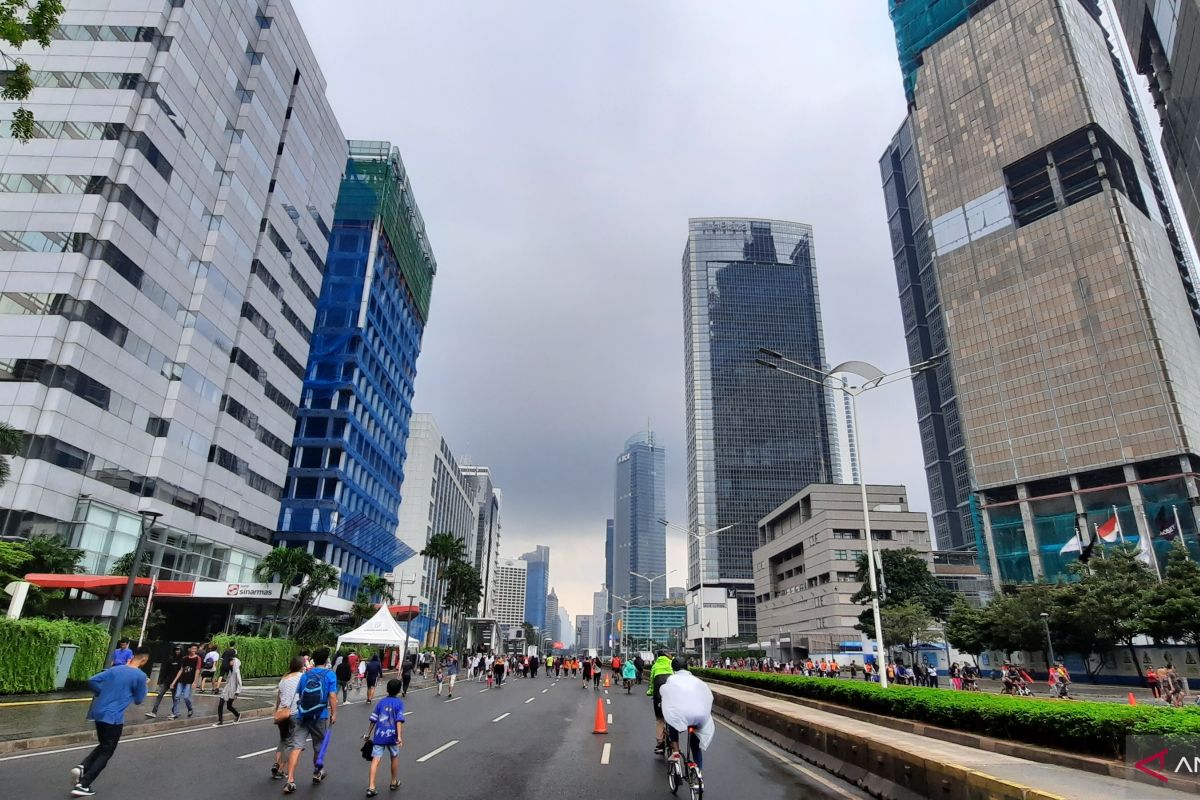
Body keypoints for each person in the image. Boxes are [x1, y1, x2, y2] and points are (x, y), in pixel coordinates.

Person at [71, 646, 150, 796]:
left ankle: (83, 766)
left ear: (132, 656)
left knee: (104, 744)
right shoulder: (140, 676)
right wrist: (144, 685)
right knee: (108, 750)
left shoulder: (116, 669)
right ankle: (84, 784)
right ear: (144, 659)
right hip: (113, 717)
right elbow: (139, 700)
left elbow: (92, 680)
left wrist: (101, 692)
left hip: (99, 712)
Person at [286, 646, 338, 793]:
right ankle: (316, 773)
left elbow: (300, 694)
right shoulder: (330, 675)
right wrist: (334, 713)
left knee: (297, 747)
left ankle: (289, 780)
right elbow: (332, 696)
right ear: (327, 660)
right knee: (318, 746)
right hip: (319, 716)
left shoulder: (305, 675)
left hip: (302, 715)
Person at [661, 657, 714, 771]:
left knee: (672, 722)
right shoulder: (696, 680)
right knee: (695, 747)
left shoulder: (672, 679)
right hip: (700, 717)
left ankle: (675, 752)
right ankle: (698, 772)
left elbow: (666, 694)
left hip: (683, 715)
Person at [363, 678, 405, 797]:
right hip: (392, 736)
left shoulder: (381, 702)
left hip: (379, 735)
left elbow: (373, 720)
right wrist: (400, 736)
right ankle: (393, 782)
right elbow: (398, 721)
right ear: (398, 690)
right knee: (394, 757)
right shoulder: (399, 703)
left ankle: (371, 786)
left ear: (387, 689)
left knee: (375, 760)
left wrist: (368, 734)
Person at [272, 656, 305, 782]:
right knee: (291, 743)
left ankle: (277, 764)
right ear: (301, 666)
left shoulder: (284, 679)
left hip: (282, 711)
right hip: (295, 712)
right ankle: (280, 769)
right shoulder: (302, 677)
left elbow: (279, 698)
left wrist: (276, 712)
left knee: (282, 740)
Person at [647, 650, 675, 754]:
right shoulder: (671, 664)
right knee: (672, 718)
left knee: (659, 719)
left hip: (658, 695)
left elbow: (651, 682)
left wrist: (650, 691)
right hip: (671, 694)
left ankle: (660, 743)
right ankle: (674, 740)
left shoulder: (655, 666)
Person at [146, 645, 183, 718]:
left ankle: (175, 712)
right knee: (159, 695)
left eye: (179, 650)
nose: (177, 651)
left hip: (176, 682)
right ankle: (154, 711)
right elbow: (165, 670)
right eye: (176, 650)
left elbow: (181, 671)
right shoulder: (171, 659)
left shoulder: (182, 660)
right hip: (167, 680)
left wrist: (176, 682)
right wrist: (161, 681)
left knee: (175, 697)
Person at [170, 643, 200, 719]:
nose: (194, 650)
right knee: (177, 696)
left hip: (189, 681)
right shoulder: (184, 658)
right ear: (189, 649)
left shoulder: (198, 658)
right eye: (192, 649)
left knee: (186, 697)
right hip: (181, 680)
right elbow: (181, 670)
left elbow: (197, 670)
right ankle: (175, 713)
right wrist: (174, 681)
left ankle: (190, 708)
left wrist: (195, 682)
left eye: (195, 649)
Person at [214, 654, 242, 725]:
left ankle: (237, 715)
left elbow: (240, 682)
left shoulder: (236, 671)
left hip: (233, 691)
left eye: (231, 660)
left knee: (229, 706)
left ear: (235, 661)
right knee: (220, 704)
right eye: (229, 660)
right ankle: (220, 721)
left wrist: (237, 692)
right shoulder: (230, 670)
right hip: (226, 689)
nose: (230, 662)